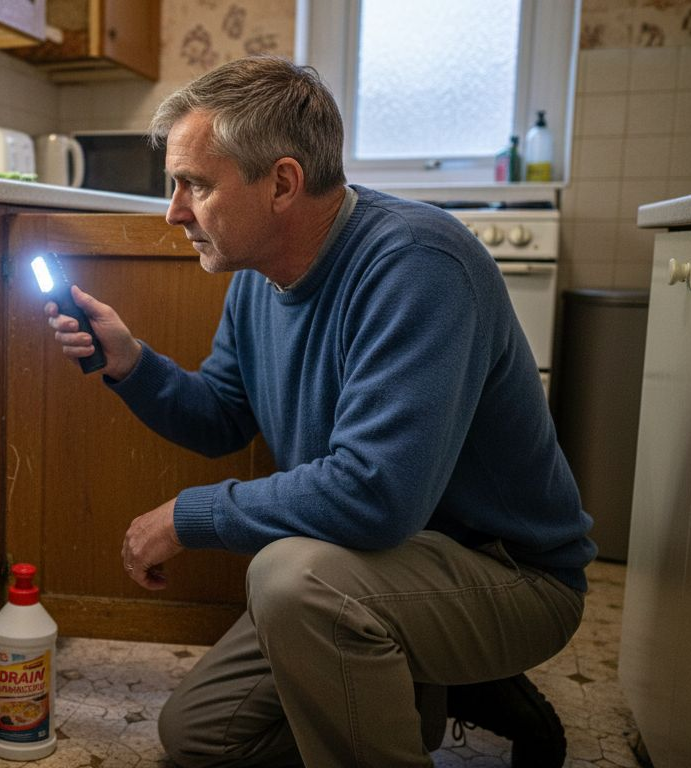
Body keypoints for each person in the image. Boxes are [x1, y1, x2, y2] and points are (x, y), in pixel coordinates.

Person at [44, 55, 595, 767]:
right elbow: (219, 417)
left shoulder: (417, 263)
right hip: (374, 566)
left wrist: (186, 516)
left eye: (196, 185)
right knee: (200, 736)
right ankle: (432, 687)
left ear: (281, 183)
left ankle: (455, 676)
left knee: (289, 581)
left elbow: (376, 495)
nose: (175, 210)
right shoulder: (257, 278)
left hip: (509, 573)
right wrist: (130, 364)